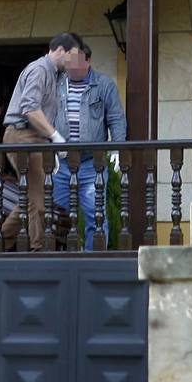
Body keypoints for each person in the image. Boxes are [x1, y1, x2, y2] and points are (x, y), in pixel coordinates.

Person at [0, 34, 80, 252]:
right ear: (61, 50)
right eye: (73, 56)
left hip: (33, 137)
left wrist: (50, 140)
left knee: (31, 197)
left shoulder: (52, 74)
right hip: (23, 135)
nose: (74, 62)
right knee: (40, 199)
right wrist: (55, 137)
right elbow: (30, 109)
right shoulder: (40, 69)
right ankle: (40, 250)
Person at [53, 43, 126, 250]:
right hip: (61, 162)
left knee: (97, 217)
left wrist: (118, 150)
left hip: (92, 164)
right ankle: (61, 263)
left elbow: (116, 119)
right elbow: (45, 117)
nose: (73, 67)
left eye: (78, 62)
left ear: (88, 61)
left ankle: (93, 262)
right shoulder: (56, 84)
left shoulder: (104, 85)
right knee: (58, 217)